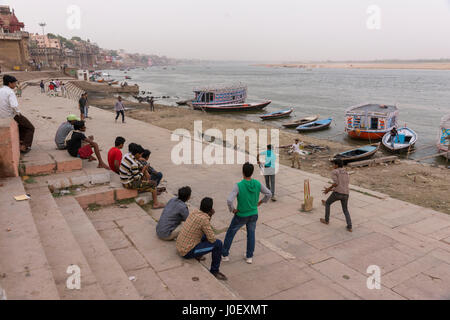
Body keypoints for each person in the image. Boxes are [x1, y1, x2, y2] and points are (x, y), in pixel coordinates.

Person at [222, 163, 272, 264]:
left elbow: (229, 200)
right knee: (251, 234)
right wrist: (261, 202)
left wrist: (233, 209)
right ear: (252, 172)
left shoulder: (239, 185)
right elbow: (269, 193)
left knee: (230, 233)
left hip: (241, 215)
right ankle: (249, 256)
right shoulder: (257, 183)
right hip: (253, 214)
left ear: (243, 172)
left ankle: (225, 254)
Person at [176, 197, 228, 281]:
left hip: (180, 245)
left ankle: (198, 255)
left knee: (204, 235)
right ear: (211, 209)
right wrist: (210, 216)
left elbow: (205, 229)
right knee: (218, 244)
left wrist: (208, 216)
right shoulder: (204, 219)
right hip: (186, 252)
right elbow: (212, 239)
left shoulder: (194, 212)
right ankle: (214, 271)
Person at [119, 144, 165, 209]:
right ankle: (156, 204)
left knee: (144, 176)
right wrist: (143, 170)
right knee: (153, 184)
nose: (141, 156)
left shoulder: (128, 156)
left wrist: (144, 168)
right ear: (137, 153)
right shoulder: (133, 163)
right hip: (128, 183)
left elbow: (138, 164)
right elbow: (137, 178)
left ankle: (145, 188)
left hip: (124, 179)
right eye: (140, 154)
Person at [0, 75, 35, 153]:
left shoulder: (0, 90)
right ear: (10, 83)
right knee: (30, 128)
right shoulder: (10, 92)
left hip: (2, 115)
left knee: (22, 126)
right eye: (14, 83)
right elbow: (14, 106)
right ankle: (25, 146)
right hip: (10, 115)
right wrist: (19, 114)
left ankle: (21, 142)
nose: (15, 85)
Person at [321, 159, 353, 232]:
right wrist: (332, 189)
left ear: (337, 165)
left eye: (334, 164)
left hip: (337, 193)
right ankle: (350, 226)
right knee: (345, 210)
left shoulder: (334, 172)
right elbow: (343, 184)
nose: (333, 166)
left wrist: (328, 189)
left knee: (328, 203)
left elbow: (336, 183)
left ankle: (326, 220)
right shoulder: (346, 172)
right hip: (346, 194)